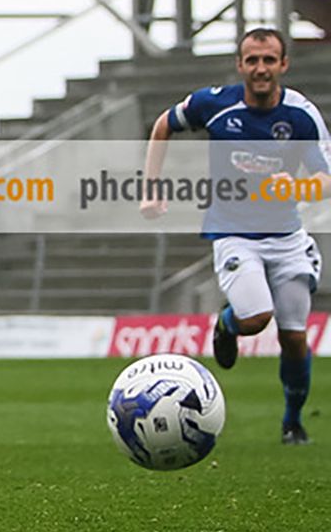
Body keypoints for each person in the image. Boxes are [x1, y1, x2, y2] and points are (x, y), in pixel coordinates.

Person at [141, 27, 330, 445]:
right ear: (240, 65)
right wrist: (151, 187)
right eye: (252, 60)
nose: (260, 68)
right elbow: (163, 125)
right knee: (256, 319)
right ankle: (228, 324)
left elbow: (326, 176)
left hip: (287, 238)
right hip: (234, 234)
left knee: (294, 337)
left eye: (269, 60)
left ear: (283, 64)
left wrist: (299, 187)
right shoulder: (215, 104)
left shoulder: (301, 115)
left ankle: (292, 421)